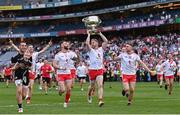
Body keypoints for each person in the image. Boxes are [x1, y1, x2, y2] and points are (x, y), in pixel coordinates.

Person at [10, 39, 52, 104]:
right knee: (22, 88)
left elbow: (43, 50)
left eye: (32, 47)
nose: (30, 48)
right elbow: (18, 49)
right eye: (29, 47)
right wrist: (12, 44)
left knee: (30, 86)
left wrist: (49, 45)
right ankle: (22, 97)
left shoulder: (35, 54)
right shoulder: (25, 53)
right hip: (25, 71)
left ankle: (28, 98)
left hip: (32, 71)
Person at [86, 30, 108, 107]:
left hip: (99, 70)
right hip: (92, 70)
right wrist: (88, 35)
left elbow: (106, 41)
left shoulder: (101, 49)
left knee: (100, 85)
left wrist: (100, 33)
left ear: (97, 43)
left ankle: (100, 100)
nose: (92, 44)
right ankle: (89, 94)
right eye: (91, 43)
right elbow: (86, 43)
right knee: (92, 86)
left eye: (93, 42)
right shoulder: (90, 50)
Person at [11, 42, 32, 113]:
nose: (24, 47)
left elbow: (30, 66)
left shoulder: (29, 56)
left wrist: (28, 66)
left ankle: (20, 100)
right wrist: (19, 65)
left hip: (25, 76)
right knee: (19, 91)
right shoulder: (16, 57)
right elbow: (13, 68)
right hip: (18, 75)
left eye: (25, 45)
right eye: (22, 45)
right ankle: (20, 107)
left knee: (23, 95)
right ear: (19, 46)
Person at [53, 41, 73, 108]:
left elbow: (76, 58)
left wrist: (77, 59)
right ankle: (60, 91)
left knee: (69, 89)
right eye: (65, 43)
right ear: (61, 45)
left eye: (67, 43)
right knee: (63, 90)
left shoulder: (70, 53)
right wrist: (61, 67)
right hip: (60, 73)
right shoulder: (58, 55)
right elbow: (54, 64)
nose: (67, 44)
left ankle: (66, 102)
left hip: (68, 73)